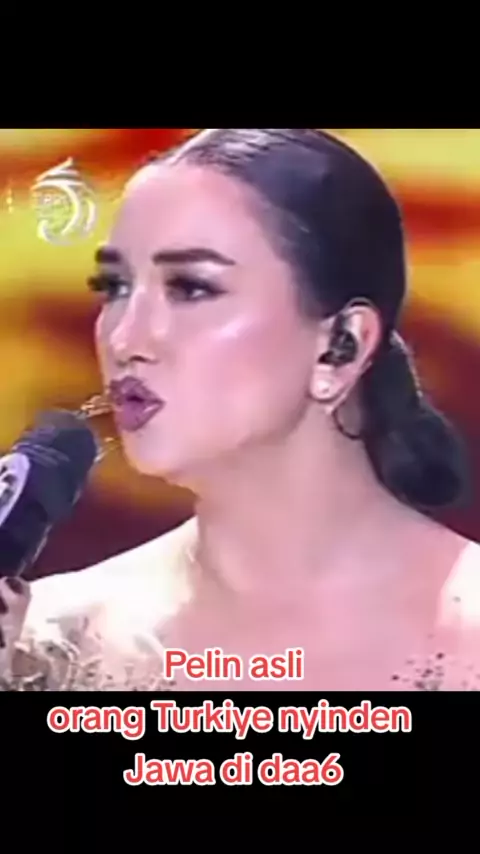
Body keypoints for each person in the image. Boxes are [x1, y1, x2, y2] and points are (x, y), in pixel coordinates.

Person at [1, 128, 480, 692]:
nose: (125, 338)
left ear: (342, 345)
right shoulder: (48, 646)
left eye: (191, 288)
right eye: (114, 286)